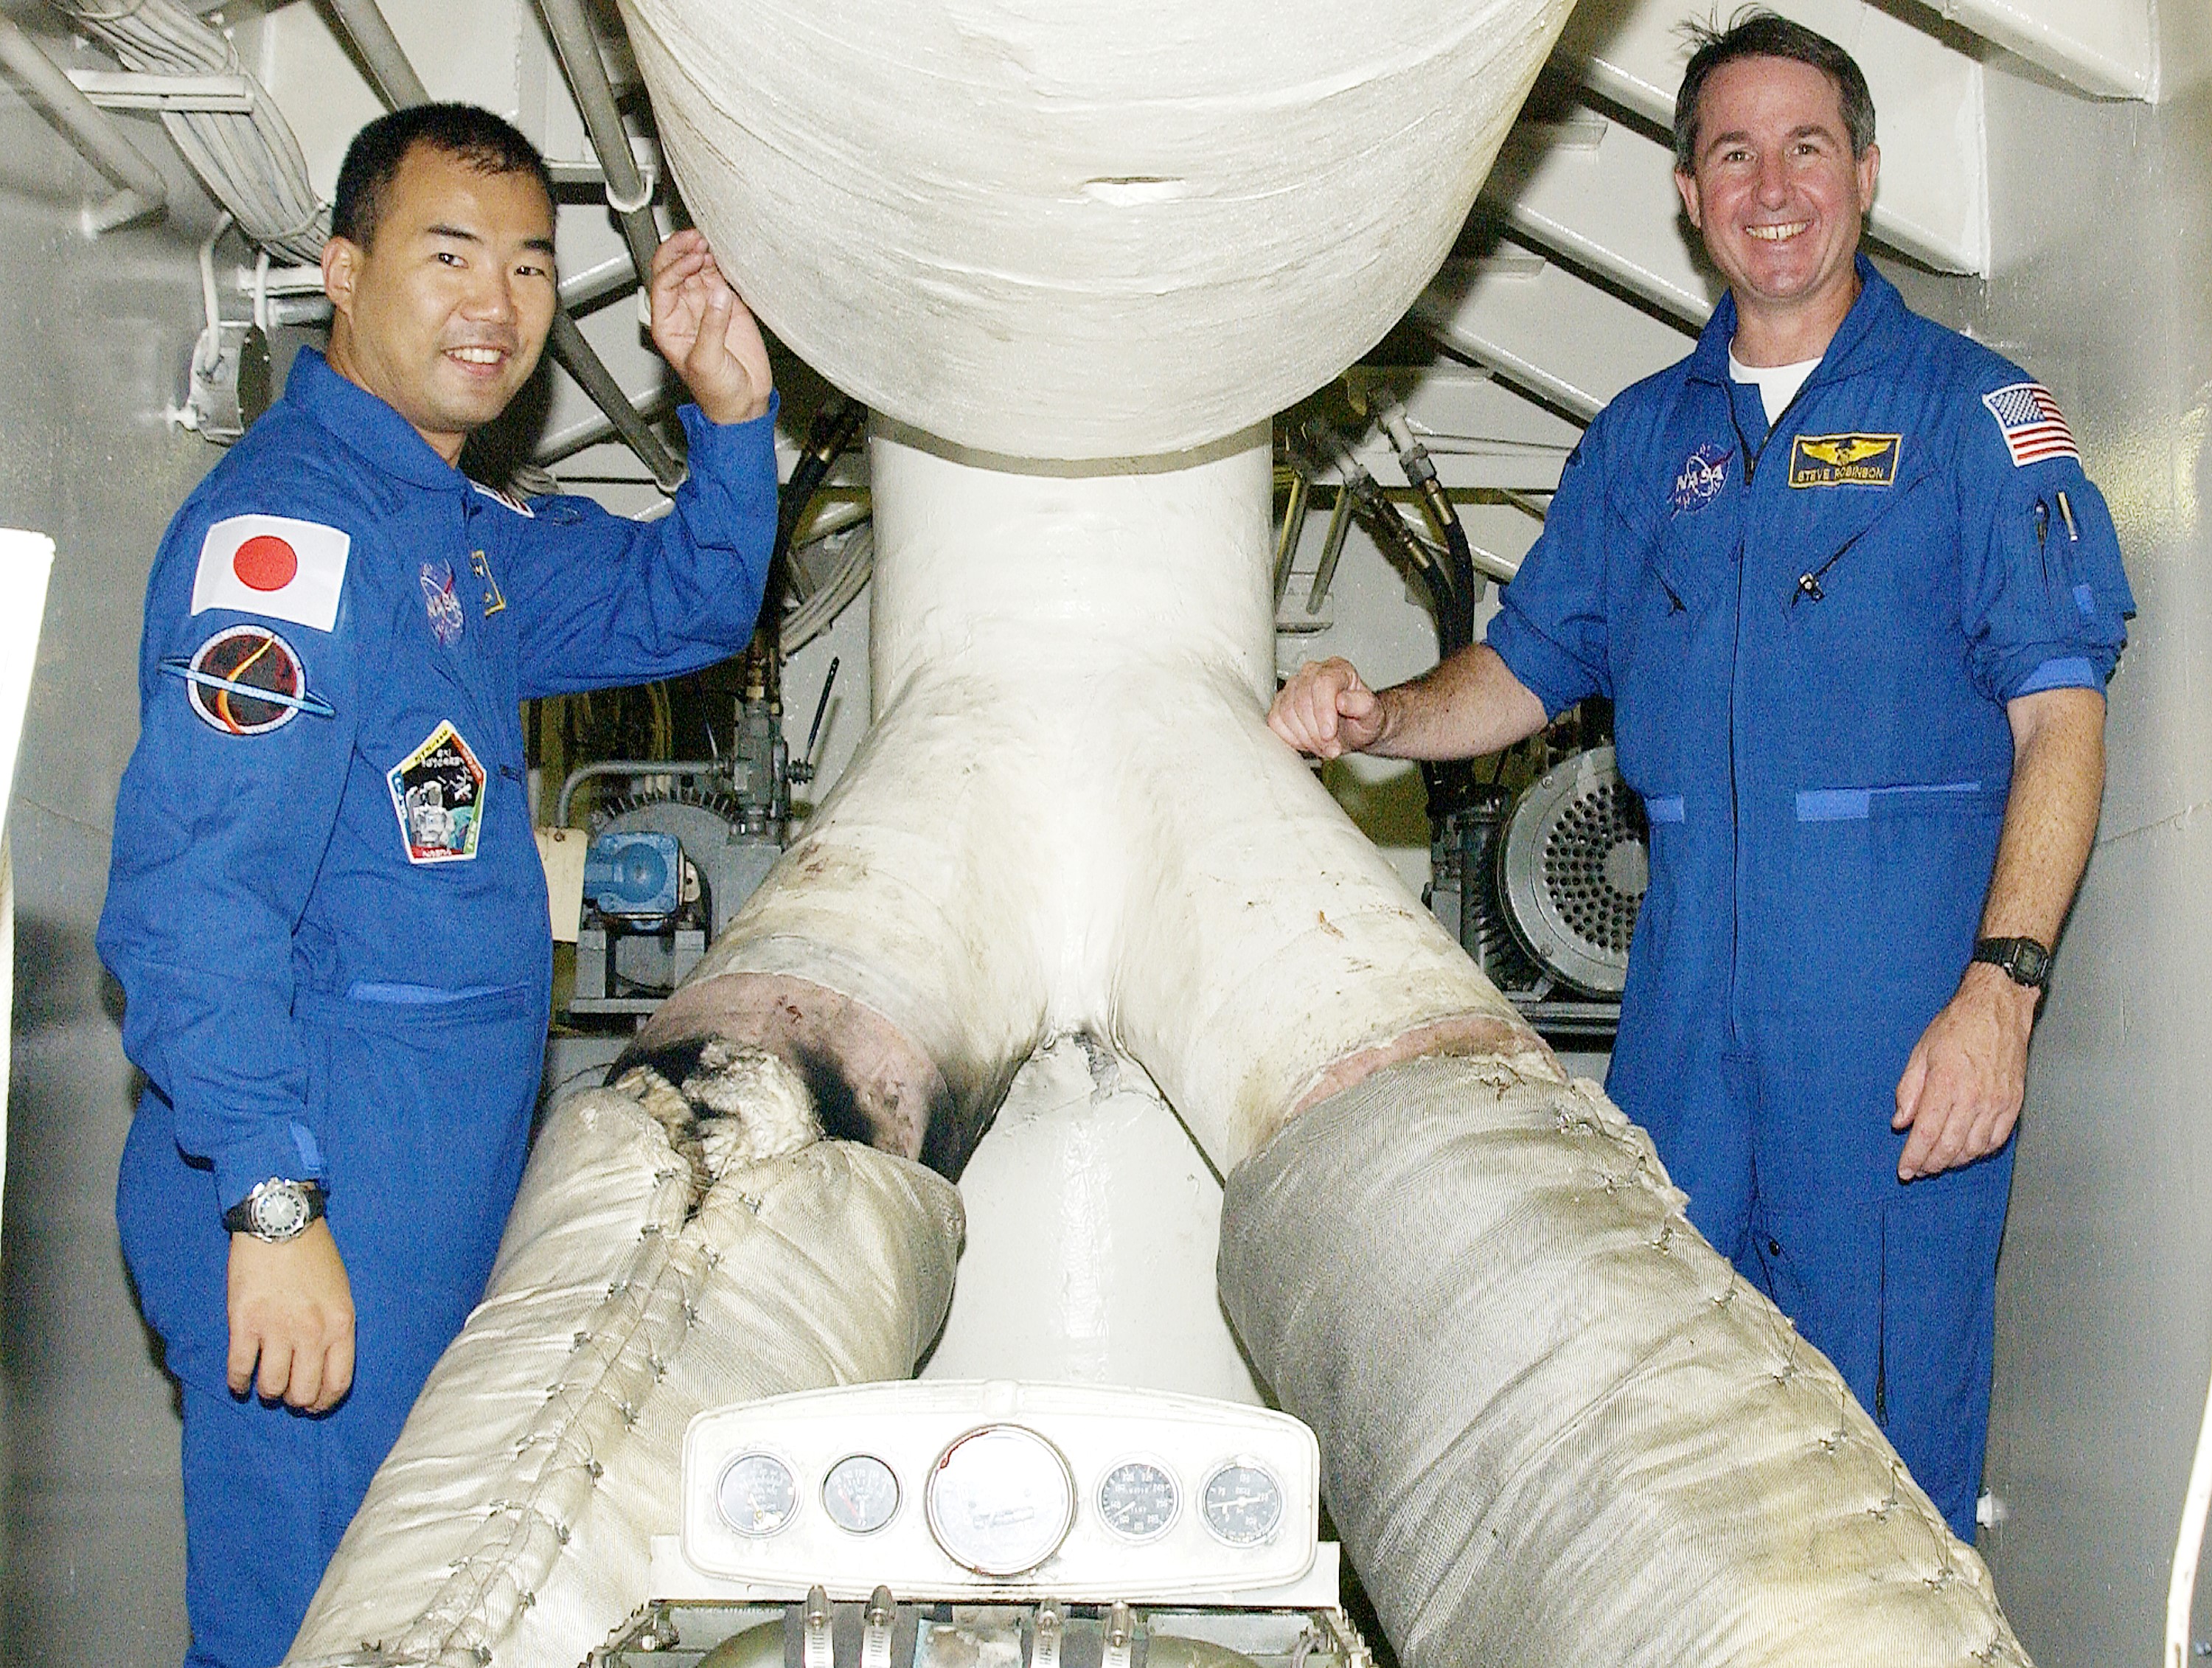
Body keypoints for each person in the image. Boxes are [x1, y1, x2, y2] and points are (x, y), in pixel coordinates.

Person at [1270, 10, 2132, 1541]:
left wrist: (2001, 995)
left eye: (1807, 146)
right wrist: (1375, 715)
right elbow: (1526, 670)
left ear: (1868, 170)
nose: (1772, 186)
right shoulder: (1639, 444)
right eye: (1733, 154)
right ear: (1687, 193)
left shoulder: (1975, 419)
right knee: (1667, 1456)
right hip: (1676, 1049)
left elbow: (2059, 719)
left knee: (1884, 1476)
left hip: (1891, 1041)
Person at [97, 103, 778, 1667]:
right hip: (313, 1168)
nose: (499, 305)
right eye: (450, 255)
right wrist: (273, 1203)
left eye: (531, 265)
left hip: (427, 1180)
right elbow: (196, 899)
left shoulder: (451, 531)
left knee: (397, 1615)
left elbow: (683, 599)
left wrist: (734, 419)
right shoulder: (293, 534)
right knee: (293, 1628)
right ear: (344, 271)